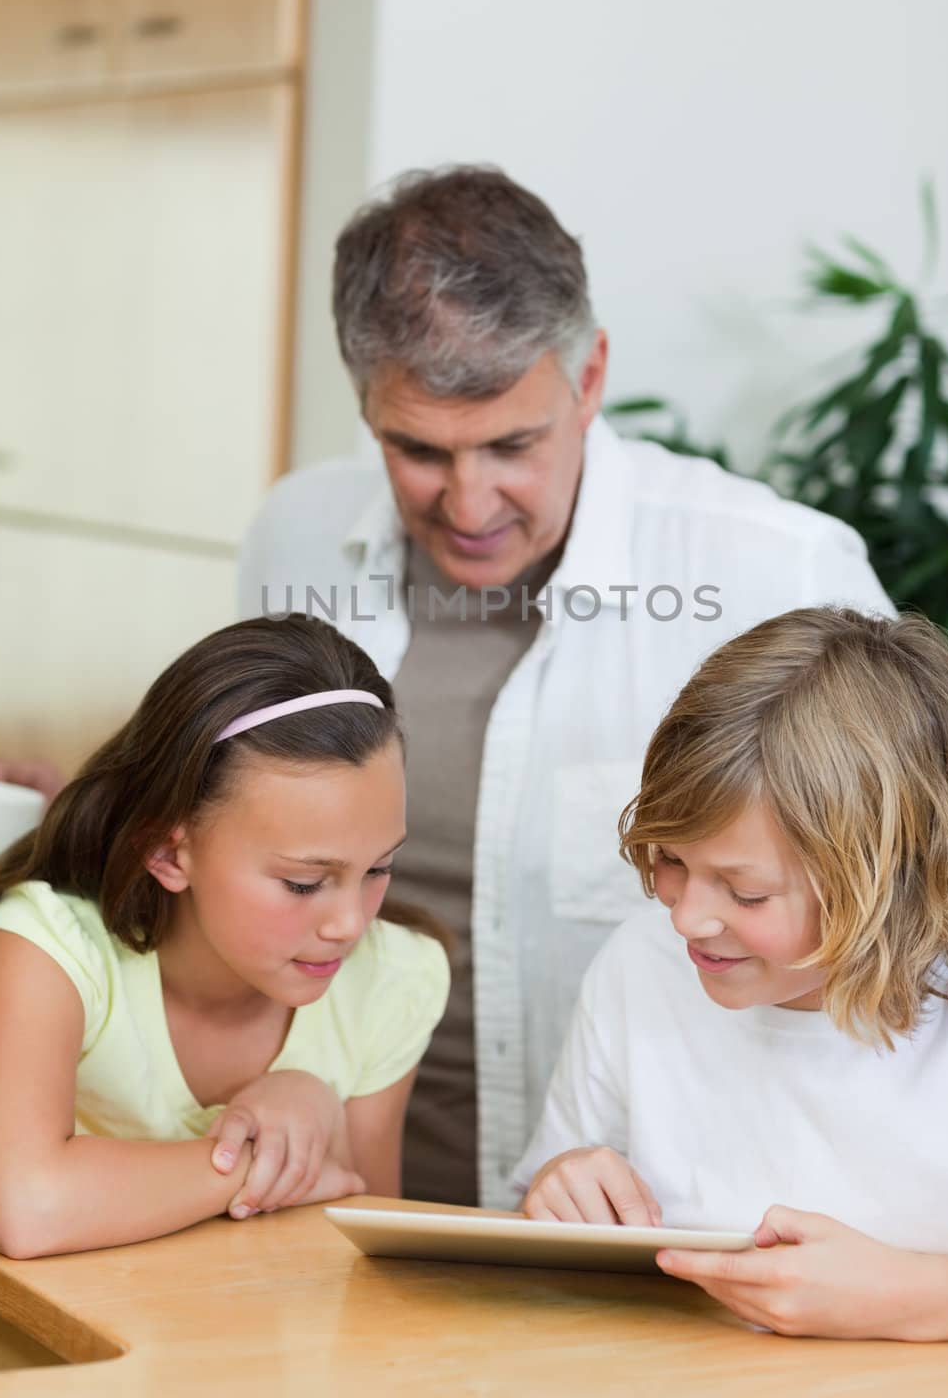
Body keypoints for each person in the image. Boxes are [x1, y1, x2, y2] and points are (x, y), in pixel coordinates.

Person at [239, 165, 895, 1208]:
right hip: (335, 1202)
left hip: (659, 1233)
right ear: (364, 403)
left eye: (511, 444)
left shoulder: (779, 571)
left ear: (587, 378)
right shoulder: (297, 533)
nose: (468, 501)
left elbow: (914, 909)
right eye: (416, 449)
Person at [517, 607, 948, 1340]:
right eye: (669, 861)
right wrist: (558, 1187)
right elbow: (549, 1232)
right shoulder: (640, 963)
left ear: (889, 878)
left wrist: (909, 1296)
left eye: (745, 892)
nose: (687, 918)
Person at [0, 615, 449, 1258]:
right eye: (303, 883)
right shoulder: (50, 948)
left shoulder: (392, 976)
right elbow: (26, 1208)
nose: (350, 923)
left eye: (379, 868)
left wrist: (317, 1109)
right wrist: (253, 1161)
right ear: (167, 849)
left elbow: (367, 1246)